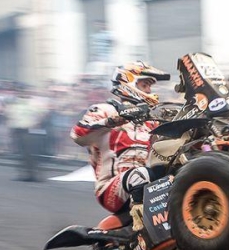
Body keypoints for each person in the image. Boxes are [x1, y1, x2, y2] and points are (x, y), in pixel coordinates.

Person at [71, 62, 169, 223]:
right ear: (129, 83)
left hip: (145, 184)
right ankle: (140, 220)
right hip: (110, 189)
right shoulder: (104, 109)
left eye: (150, 87)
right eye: (145, 85)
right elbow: (77, 135)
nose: (149, 91)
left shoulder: (151, 121)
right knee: (140, 173)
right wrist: (117, 120)